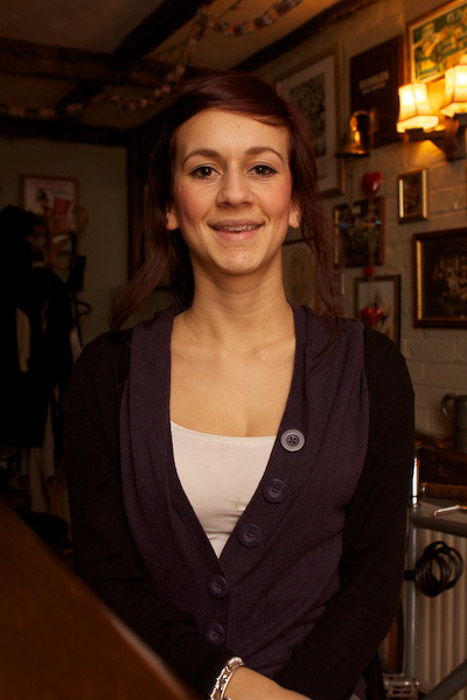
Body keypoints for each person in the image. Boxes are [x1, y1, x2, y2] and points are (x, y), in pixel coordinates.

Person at [64, 71, 414, 700]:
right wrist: (225, 682)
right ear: (171, 207)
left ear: (297, 201)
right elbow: (106, 572)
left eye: (261, 168)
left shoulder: (372, 369)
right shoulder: (106, 374)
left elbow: (375, 573)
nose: (234, 195)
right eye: (204, 170)